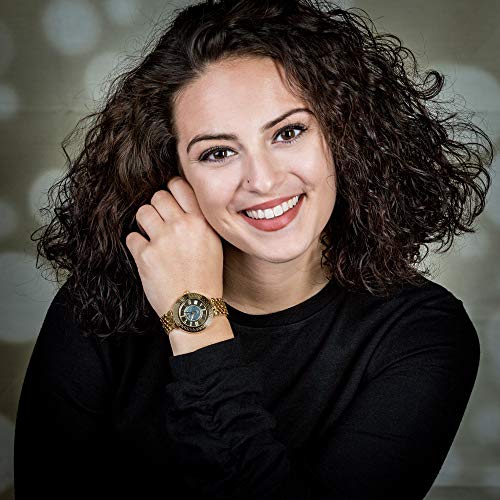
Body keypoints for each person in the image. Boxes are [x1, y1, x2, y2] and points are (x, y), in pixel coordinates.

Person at [14, 0, 494, 499]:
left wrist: (193, 320)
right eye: (218, 152)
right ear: (172, 174)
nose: (262, 180)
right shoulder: (101, 306)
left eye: (289, 132)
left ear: (344, 136)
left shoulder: (422, 333)